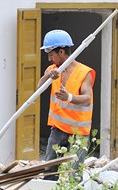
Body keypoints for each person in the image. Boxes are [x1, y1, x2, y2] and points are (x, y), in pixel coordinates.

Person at [37, 29, 96, 177]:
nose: (50, 59)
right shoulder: (52, 70)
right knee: (49, 172)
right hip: (57, 129)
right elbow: (39, 88)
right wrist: (47, 78)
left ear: (61, 52)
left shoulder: (84, 72)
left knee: (74, 175)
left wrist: (69, 97)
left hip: (78, 133)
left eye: (51, 55)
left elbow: (87, 98)